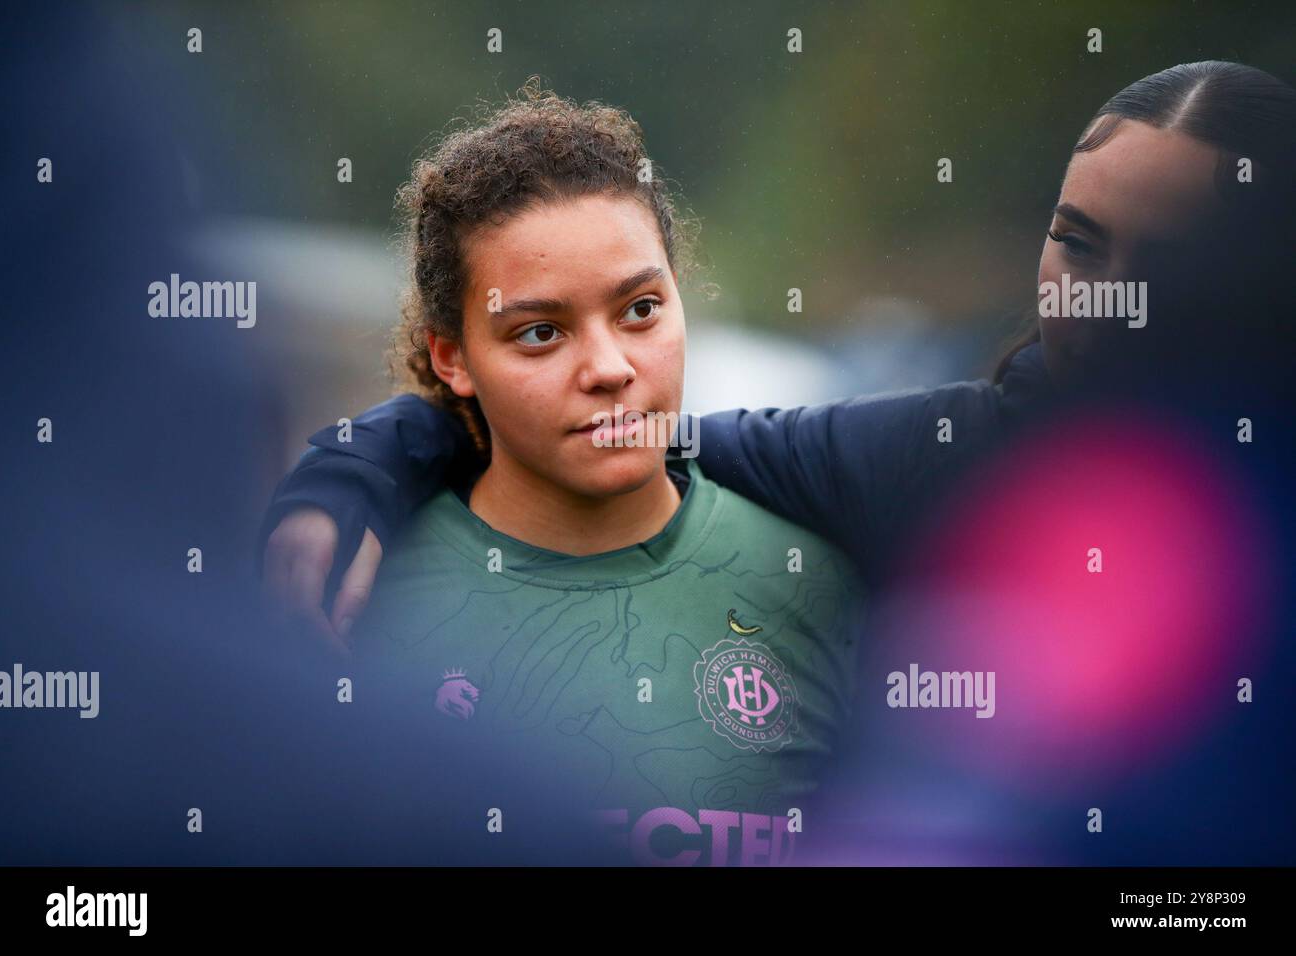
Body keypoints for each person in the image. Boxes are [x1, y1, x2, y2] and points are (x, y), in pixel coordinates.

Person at [262, 60, 1294, 648]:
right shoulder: (927, 457)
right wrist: (344, 482)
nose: (1097, 297)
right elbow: (605, 429)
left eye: (1169, 262)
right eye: (1074, 238)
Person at [334, 81, 862, 865]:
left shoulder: (818, 583)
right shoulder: (353, 601)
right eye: (541, 332)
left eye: (641, 310)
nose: (611, 368)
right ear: (453, 358)